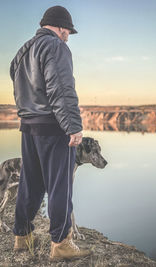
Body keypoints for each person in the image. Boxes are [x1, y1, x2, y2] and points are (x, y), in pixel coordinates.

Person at [10, 5, 92, 261]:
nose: (68, 35)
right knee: (60, 186)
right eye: (68, 30)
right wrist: (74, 127)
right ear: (59, 26)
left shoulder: (22, 51)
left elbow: (18, 84)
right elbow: (61, 89)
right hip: (54, 127)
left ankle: (21, 237)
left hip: (29, 127)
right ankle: (61, 244)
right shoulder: (56, 47)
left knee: (30, 183)